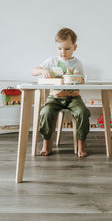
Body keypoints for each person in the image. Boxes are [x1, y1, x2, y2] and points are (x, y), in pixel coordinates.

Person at [32, 28, 91, 157]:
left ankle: (81, 143)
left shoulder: (77, 63)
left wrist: (79, 79)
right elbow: (33, 71)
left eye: (67, 49)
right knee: (45, 112)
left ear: (74, 47)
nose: (63, 52)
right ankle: (47, 143)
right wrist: (42, 71)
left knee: (83, 112)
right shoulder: (52, 61)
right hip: (55, 97)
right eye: (59, 48)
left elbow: (83, 79)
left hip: (73, 97)